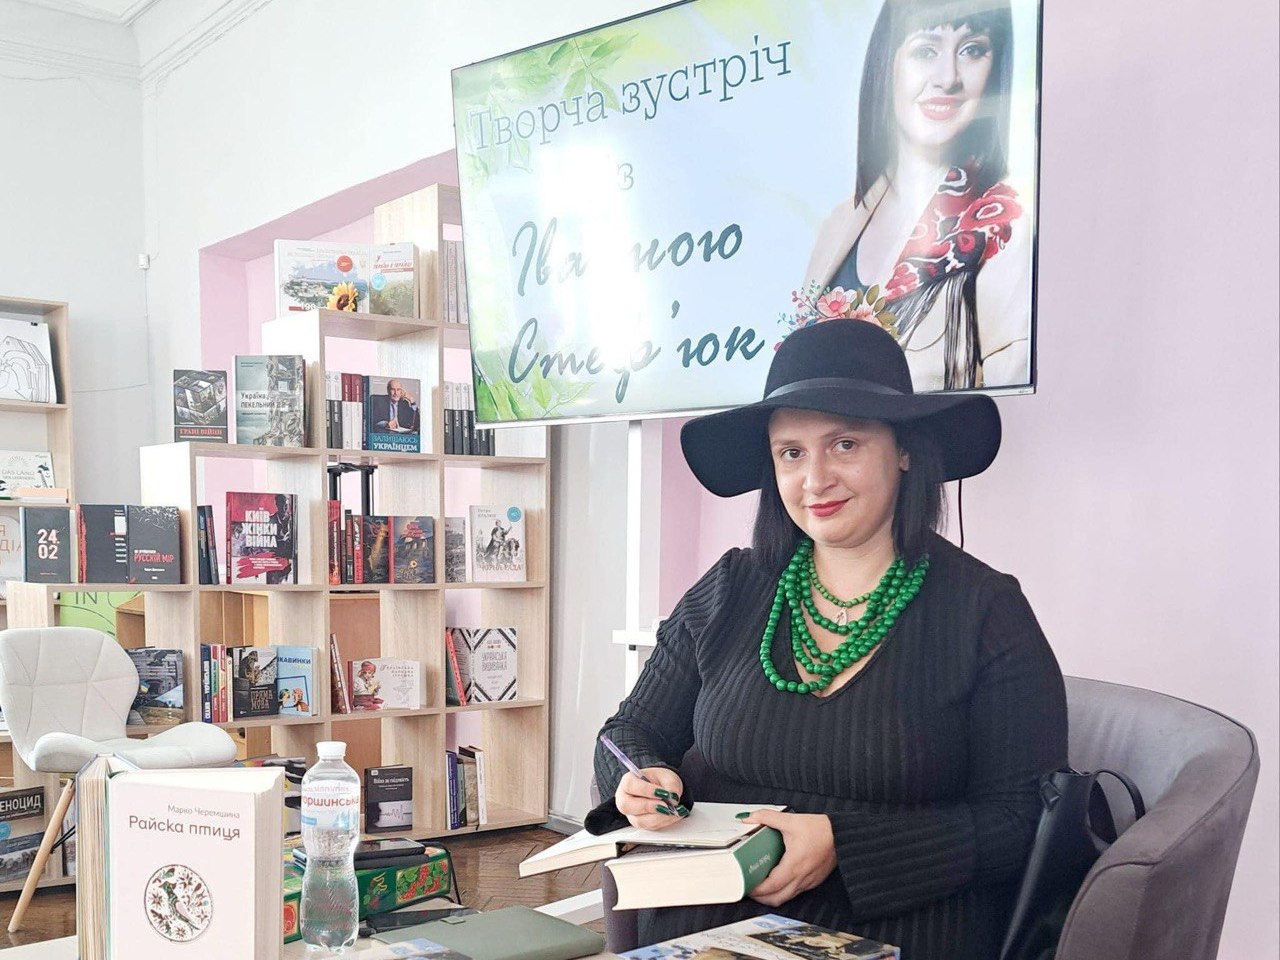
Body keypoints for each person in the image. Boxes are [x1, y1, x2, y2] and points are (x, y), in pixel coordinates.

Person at [593, 318, 1066, 960]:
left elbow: (1022, 819)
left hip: (897, 930)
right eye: (791, 452)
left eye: (844, 444)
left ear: (903, 450)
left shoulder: (986, 610)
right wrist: (637, 779)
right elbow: (625, 732)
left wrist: (845, 844)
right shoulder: (731, 587)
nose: (815, 479)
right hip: (706, 928)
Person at [803, 0, 1030, 392]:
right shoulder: (838, 225)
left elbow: (1010, 411)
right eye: (925, 50)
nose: (948, 78)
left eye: (972, 49)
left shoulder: (1003, 229)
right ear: (886, 64)